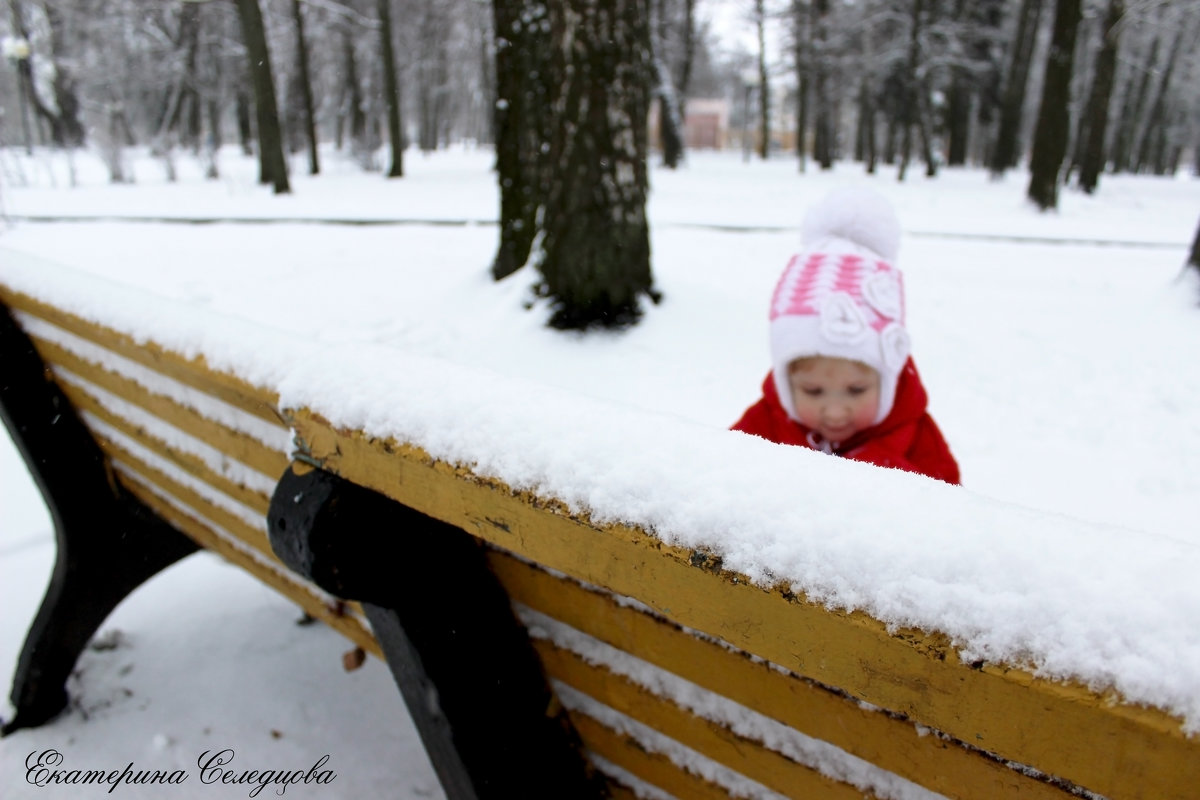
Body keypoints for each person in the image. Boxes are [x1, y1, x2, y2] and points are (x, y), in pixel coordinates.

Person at [732, 186, 960, 485]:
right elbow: (720, 481)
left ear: (888, 379)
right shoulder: (764, 427)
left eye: (856, 390)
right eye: (813, 391)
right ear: (786, 384)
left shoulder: (917, 440)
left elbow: (950, 517)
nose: (836, 412)